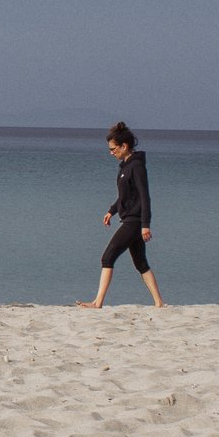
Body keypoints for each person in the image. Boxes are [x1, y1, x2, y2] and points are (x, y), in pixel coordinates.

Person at [79, 121, 165, 308]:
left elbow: (144, 196)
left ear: (124, 146)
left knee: (107, 257)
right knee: (141, 263)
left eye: (113, 149)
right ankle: (159, 303)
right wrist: (111, 210)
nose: (111, 152)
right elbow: (125, 197)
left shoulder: (137, 167)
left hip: (134, 222)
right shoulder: (125, 167)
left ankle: (98, 302)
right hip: (130, 219)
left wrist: (145, 224)